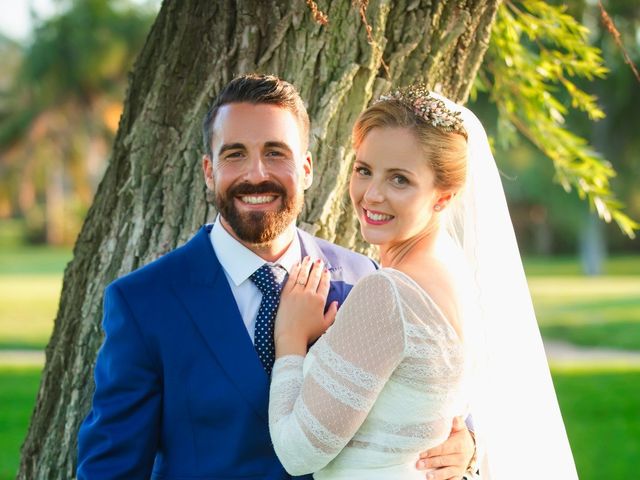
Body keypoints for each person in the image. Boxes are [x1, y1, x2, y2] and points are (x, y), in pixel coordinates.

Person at [77, 74, 475, 479]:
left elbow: (422, 393)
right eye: (234, 155)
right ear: (208, 171)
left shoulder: (364, 276)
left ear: (306, 169)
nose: (256, 174)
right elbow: (113, 468)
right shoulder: (145, 303)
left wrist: (465, 443)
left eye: (275, 153)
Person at [268, 86, 579, 479]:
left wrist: (291, 339)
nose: (372, 195)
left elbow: (298, 454)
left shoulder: (389, 292)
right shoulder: (456, 272)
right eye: (364, 170)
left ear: (444, 197)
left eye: (399, 180)